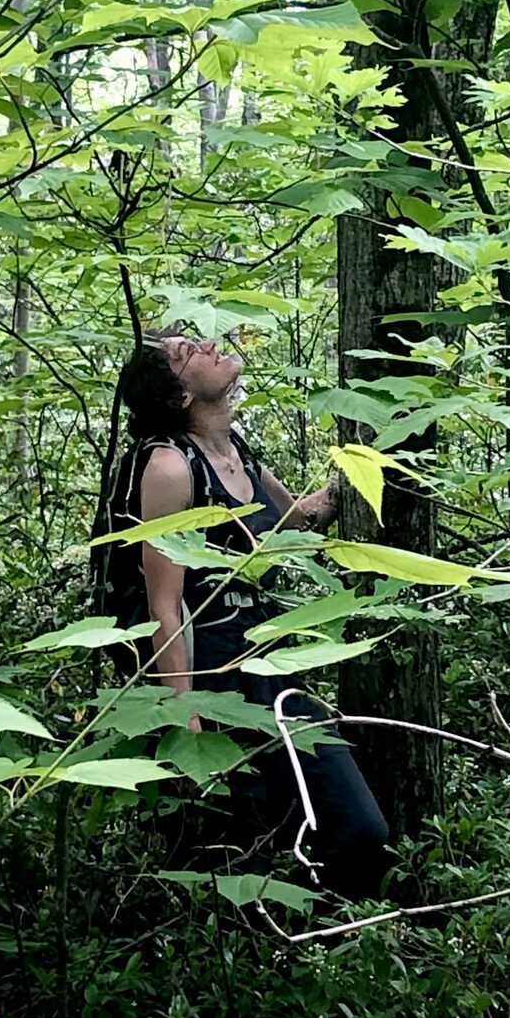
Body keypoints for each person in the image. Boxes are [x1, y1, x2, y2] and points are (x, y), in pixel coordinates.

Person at [109, 329, 389, 902]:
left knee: (356, 827)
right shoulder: (169, 467)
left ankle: (320, 924)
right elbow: (165, 604)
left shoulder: (235, 450)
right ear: (181, 397)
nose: (208, 345)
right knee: (237, 839)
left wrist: (368, 466)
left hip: (268, 659)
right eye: (187, 353)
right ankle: (268, 939)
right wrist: (185, 717)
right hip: (210, 672)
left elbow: (294, 523)